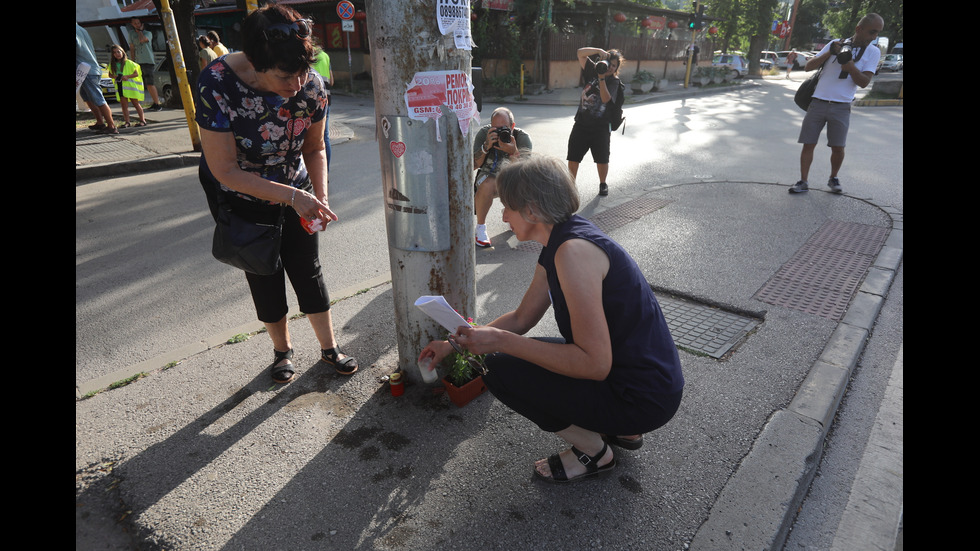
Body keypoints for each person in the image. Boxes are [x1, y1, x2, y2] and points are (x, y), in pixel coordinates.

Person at [419, 155, 684, 483]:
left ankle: (595, 453)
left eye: (507, 206)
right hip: (643, 376)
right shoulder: (562, 241)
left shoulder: (573, 253)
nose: (502, 216)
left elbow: (594, 364)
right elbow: (521, 318)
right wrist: (451, 343)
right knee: (514, 354)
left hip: (644, 396)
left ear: (531, 210)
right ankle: (622, 431)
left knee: (499, 367)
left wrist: (499, 342)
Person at [196, 3, 358, 384]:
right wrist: (291, 196)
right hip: (245, 197)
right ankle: (282, 352)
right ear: (254, 63)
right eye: (286, 76)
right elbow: (224, 169)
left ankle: (329, 347)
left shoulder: (311, 86)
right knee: (264, 274)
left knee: (309, 270)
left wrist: (320, 197)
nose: (297, 85)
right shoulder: (216, 84)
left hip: (297, 189)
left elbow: (315, 148)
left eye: (303, 72)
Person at [790, 13, 884, 195]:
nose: (874, 37)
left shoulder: (873, 52)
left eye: (877, 34)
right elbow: (808, 66)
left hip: (842, 106)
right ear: (859, 29)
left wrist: (851, 67)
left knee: (838, 147)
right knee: (808, 144)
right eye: (872, 32)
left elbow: (864, 82)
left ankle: (833, 177)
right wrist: (829, 52)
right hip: (817, 102)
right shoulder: (835, 44)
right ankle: (803, 181)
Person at [566, 47, 623, 197]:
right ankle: (571, 185)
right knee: (573, 156)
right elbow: (580, 53)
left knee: (602, 158)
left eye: (613, 65)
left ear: (617, 68)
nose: (610, 67)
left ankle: (603, 183)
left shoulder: (614, 82)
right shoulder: (593, 69)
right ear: (602, 61)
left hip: (601, 127)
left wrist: (602, 78)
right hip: (581, 123)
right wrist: (598, 50)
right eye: (608, 63)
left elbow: (605, 99)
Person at [472, 107, 532, 248]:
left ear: (512, 126)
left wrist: (513, 152)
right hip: (489, 178)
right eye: (495, 128)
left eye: (503, 128)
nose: (499, 133)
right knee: (488, 183)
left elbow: (524, 172)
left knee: (523, 185)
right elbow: (473, 165)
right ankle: (480, 228)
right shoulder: (484, 134)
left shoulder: (522, 138)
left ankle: (512, 214)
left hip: (512, 178)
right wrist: (486, 146)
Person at [76, 23, 118, 134]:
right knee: (88, 98)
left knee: (98, 99)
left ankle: (111, 126)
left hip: (86, 70)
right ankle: (100, 122)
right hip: (91, 69)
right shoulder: (81, 29)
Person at [127, 18, 163, 111]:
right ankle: (139, 103)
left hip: (147, 61)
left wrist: (140, 31)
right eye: (135, 23)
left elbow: (142, 40)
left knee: (150, 83)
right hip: (137, 61)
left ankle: (157, 103)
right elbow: (132, 47)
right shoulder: (131, 34)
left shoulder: (148, 33)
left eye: (138, 23)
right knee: (139, 83)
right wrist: (132, 61)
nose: (137, 24)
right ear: (132, 24)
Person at [108, 44, 147, 128]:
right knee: (124, 105)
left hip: (130, 86)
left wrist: (127, 77)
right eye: (114, 53)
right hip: (120, 85)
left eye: (118, 52)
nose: (117, 54)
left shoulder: (129, 63)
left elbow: (136, 73)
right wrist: (116, 77)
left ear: (122, 52)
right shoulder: (112, 64)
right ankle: (127, 122)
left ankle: (142, 120)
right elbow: (110, 74)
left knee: (135, 103)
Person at [311, 48, 334, 167]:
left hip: (310, 99)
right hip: (326, 99)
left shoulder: (307, 53)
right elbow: (332, 81)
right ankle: (326, 172)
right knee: (325, 136)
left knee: (310, 139)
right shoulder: (325, 56)